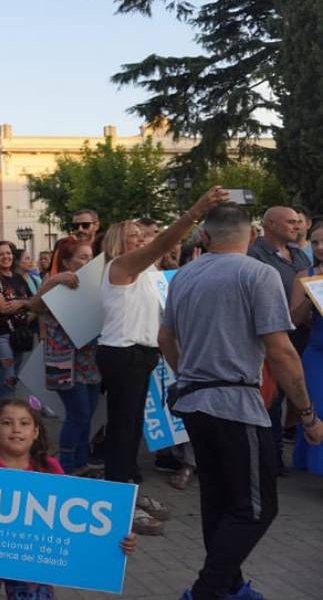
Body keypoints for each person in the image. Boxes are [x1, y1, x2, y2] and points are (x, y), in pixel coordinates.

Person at [157, 203, 323, 600]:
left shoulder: (184, 275)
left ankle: (229, 586)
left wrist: (190, 374)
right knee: (255, 509)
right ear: (251, 235)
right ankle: (207, 591)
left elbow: (166, 337)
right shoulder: (258, 273)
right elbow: (281, 351)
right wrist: (307, 415)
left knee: (219, 501)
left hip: (194, 402)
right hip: (235, 405)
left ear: (206, 237)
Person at [98, 186, 227, 536]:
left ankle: (127, 488)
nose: (141, 239)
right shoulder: (121, 265)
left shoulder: (148, 273)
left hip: (140, 355)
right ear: (117, 242)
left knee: (131, 429)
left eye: (142, 234)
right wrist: (195, 210)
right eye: (133, 235)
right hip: (122, 354)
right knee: (123, 430)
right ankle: (117, 504)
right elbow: (163, 244)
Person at [0, 399, 137, 600]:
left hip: (32, 563)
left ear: (35, 432)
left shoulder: (49, 467)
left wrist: (116, 540)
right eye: (7, 423)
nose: (16, 429)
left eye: (24, 423)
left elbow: (70, 523)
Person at [26, 238, 101, 475]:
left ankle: (81, 461)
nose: (88, 262)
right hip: (63, 360)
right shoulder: (55, 284)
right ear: (67, 262)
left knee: (87, 414)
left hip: (89, 360)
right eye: (83, 257)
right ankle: (65, 466)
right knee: (78, 414)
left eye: (90, 257)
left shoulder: (94, 284)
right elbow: (33, 305)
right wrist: (54, 280)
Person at [248, 206, 312, 474]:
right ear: (271, 224)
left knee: (295, 394)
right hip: (270, 336)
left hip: (302, 335)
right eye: (290, 222)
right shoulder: (254, 255)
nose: (297, 226)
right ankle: (270, 457)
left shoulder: (298, 254)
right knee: (272, 399)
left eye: (298, 222)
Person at [289, 220, 323, 476]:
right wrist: (311, 297)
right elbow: (294, 319)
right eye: (315, 242)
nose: (320, 247)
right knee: (316, 406)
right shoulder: (305, 275)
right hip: (316, 351)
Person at [0, 240, 34, 401]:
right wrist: (25, 305)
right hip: (0, 335)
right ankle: (4, 406)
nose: (6, 257)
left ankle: (3, 404)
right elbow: (3, 308)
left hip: (20, 335)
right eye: (1, 254)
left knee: (15, 376)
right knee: (8, 376)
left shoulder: (18, 277)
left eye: (9, 253)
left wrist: (21, 303)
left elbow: (34, 302)